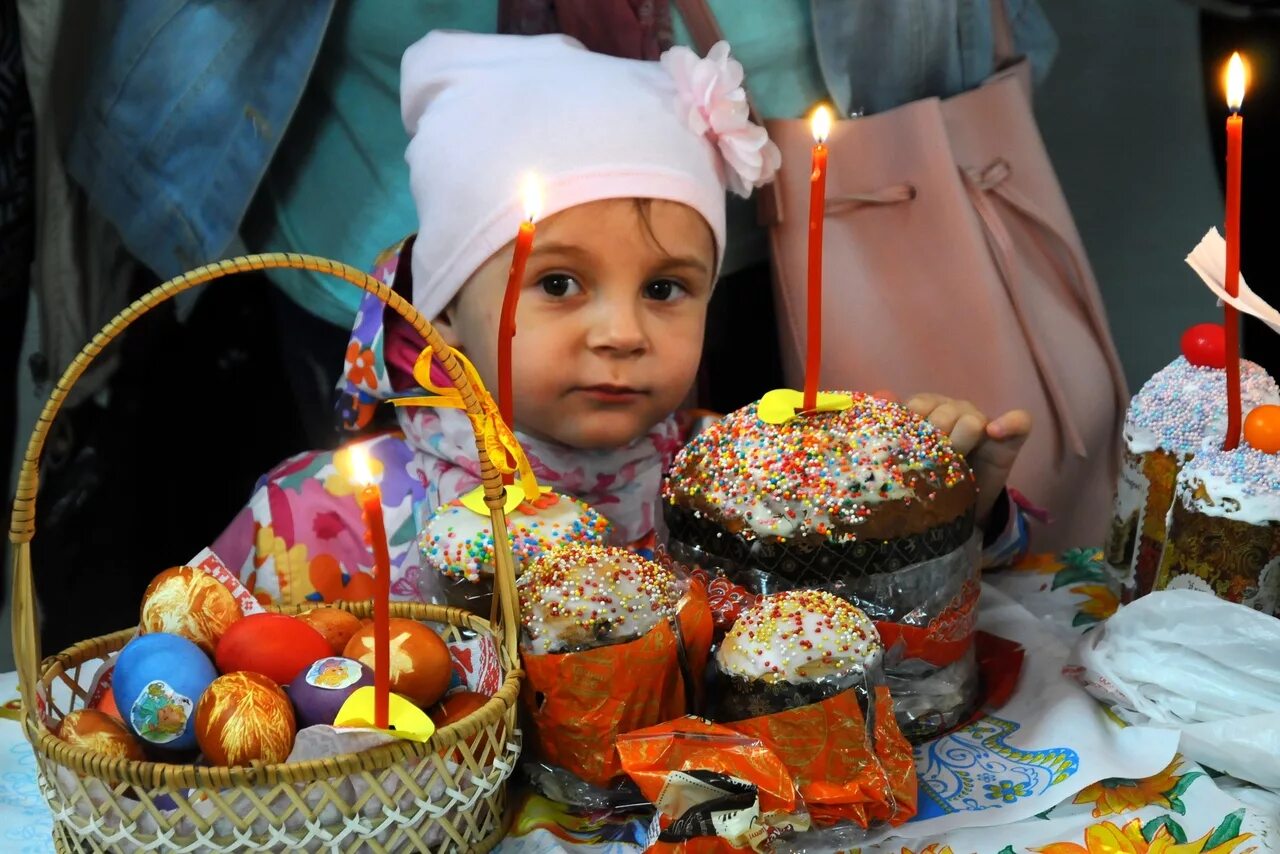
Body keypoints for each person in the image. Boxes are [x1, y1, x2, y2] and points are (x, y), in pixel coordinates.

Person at [211, 32, 1033, 607]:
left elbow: (894, 614)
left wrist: (961, 512)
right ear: (447, 309)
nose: (621, 333)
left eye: (666, 289)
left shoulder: (743, 486)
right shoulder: (319, 520)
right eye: (561, 283)